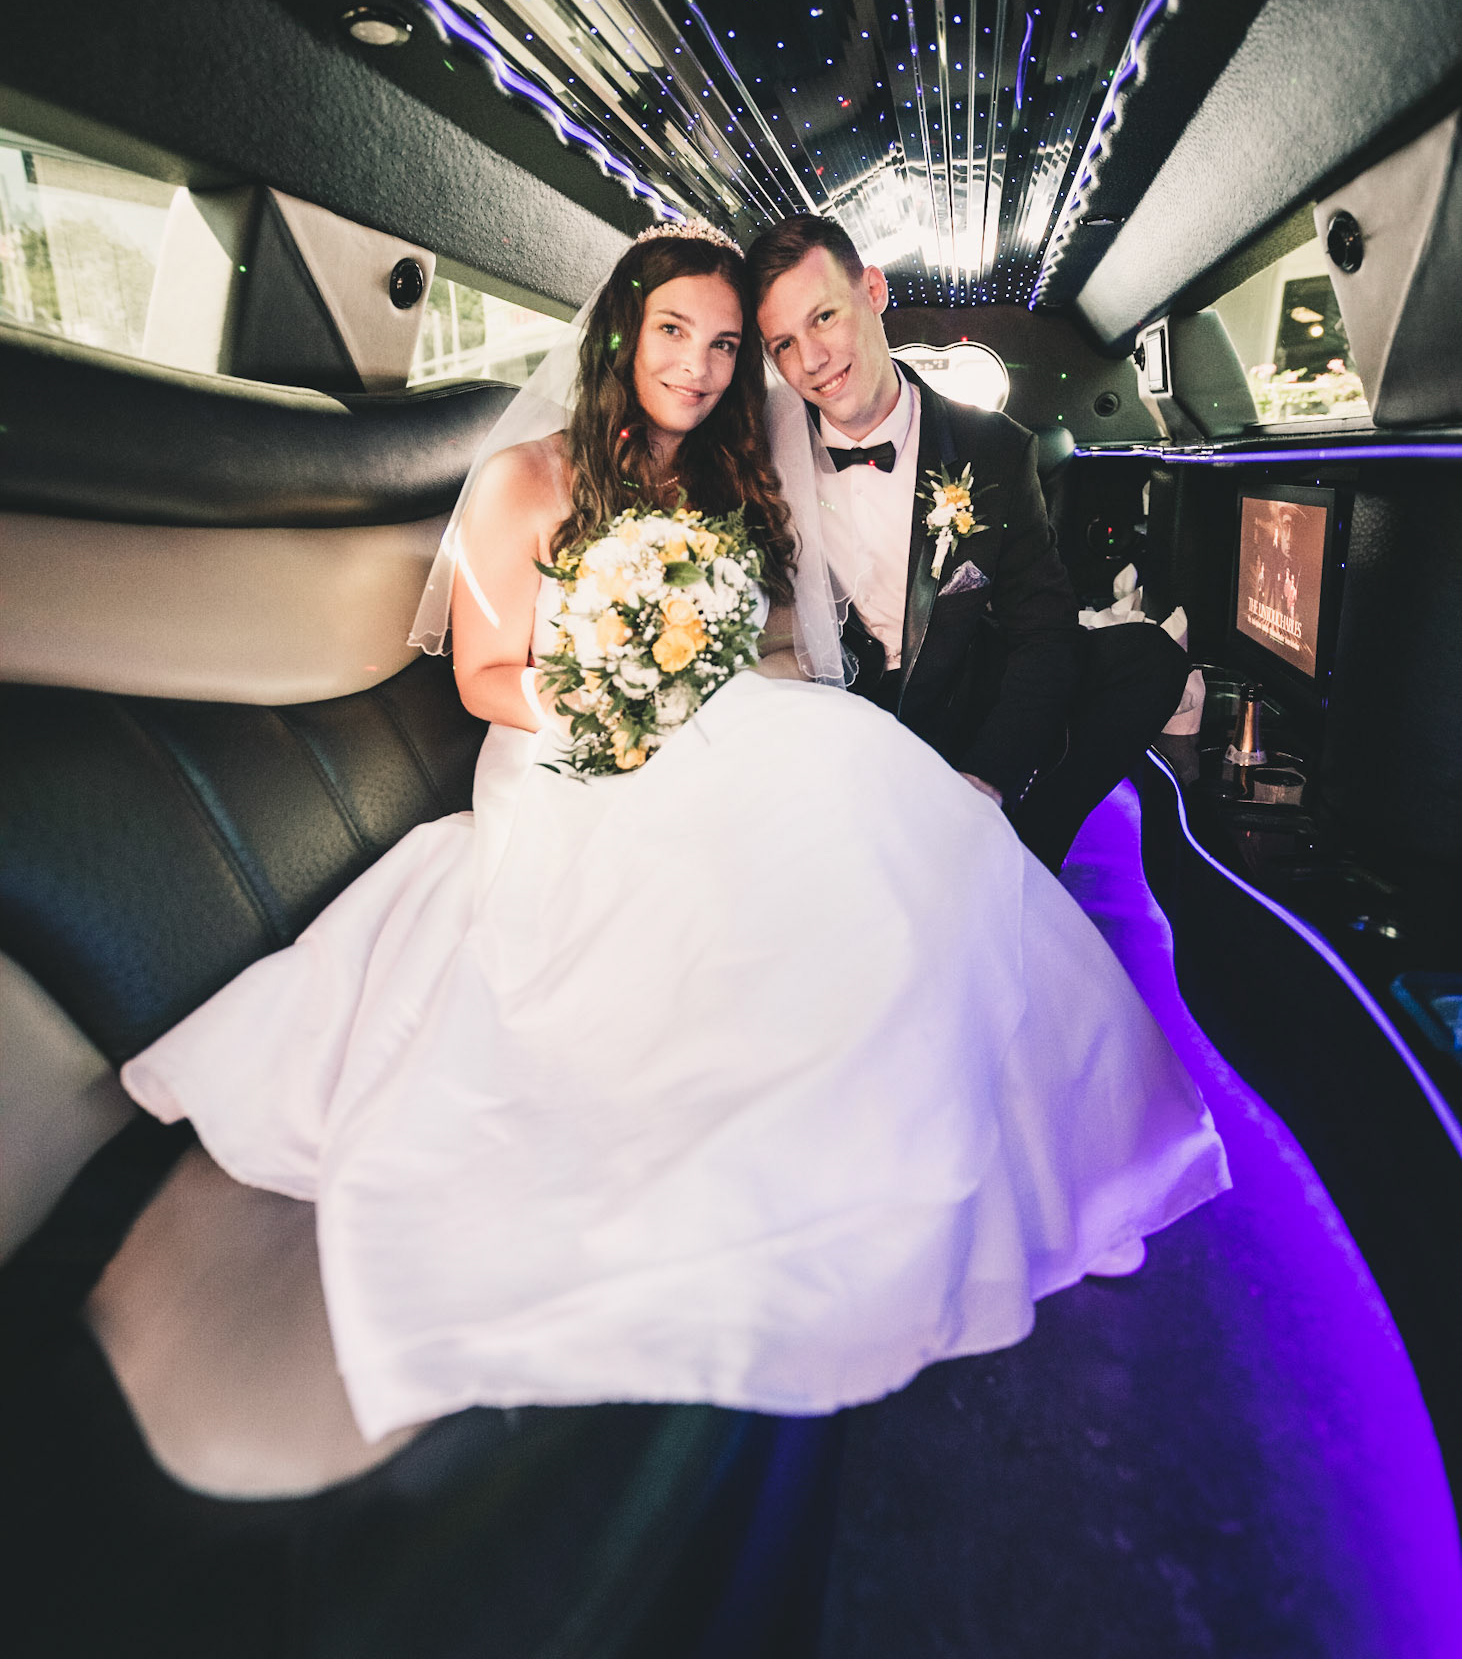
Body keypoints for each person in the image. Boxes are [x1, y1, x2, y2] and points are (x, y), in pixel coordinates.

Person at [121, 226, 1227, 1447]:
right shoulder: (522, 479)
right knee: (731, 899)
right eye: (675, 334)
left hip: (716, 715)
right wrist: (613, 696)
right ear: (618, 334)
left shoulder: (723, 473)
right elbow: (485, 673)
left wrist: (702, 678)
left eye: (723, 345)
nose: (701, 367)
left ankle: (1022, 1159)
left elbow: (763, 633)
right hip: (568, 747)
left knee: (903, 820)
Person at [749, 215, 1192, 872]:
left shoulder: (994, 448)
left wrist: (990, 776)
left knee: (1146, 658)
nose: (811, 361)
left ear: (873, 290)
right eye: (783, 344)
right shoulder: (758, 459)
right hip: (832, 720)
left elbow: (1043, 630)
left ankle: (1027, 855)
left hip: (954, 703)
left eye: (824, 318)